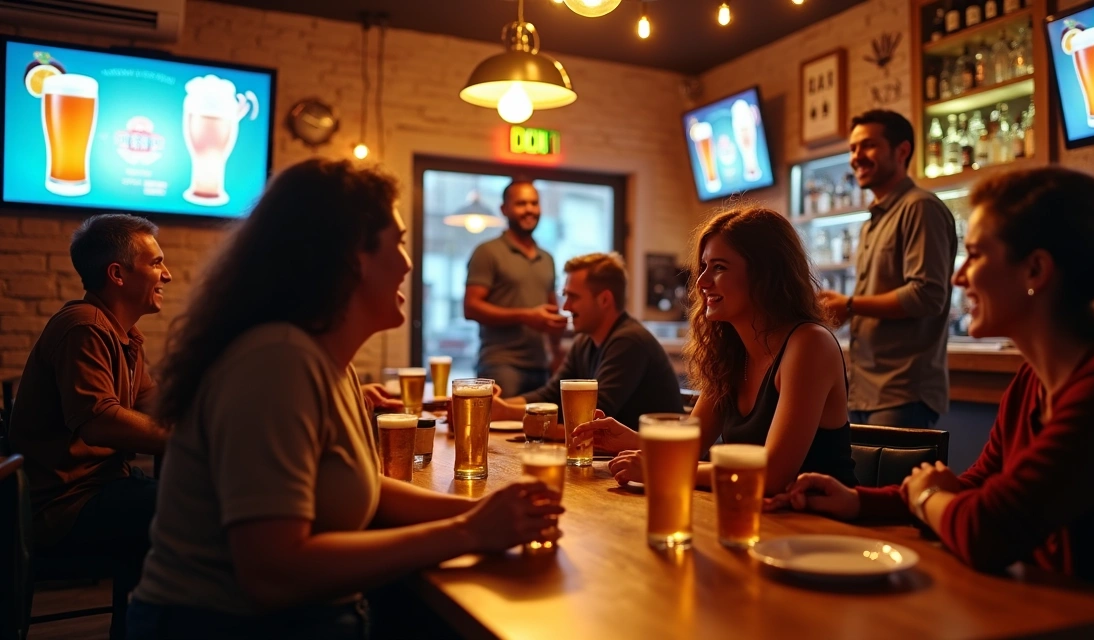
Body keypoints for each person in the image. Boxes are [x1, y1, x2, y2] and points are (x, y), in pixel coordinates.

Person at [771, 167, 1094, 638]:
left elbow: (988, 529)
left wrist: (926, 496)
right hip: (1062, 615)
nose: (959, 276)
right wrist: (857, 501)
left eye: (977, 255)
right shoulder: (1032, 380)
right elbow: (978, 487)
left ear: (1035, 270)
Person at [128, 159, 562, 639]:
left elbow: (367, 489)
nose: (408, 263)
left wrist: (485, 510)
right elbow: (272, 573)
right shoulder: (277, 360)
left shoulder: (325, 358)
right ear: (354, 257)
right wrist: (470, 532)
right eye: (398, 242)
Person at [574, 208, 857, 495]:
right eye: (704, 266)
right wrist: (631, 439)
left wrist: (662, 468)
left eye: (719, 267)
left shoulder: (810, 344)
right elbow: (691, 445)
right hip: (759, 513)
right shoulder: (732, 352)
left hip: (819, 518)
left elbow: (771, 475)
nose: (701, 282)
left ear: (765, 275)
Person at [8, 213, 171, 639]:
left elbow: (158, 406)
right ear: (117, 274)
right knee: (196, 509)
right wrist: (191, 438)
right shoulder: (84, 326)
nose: (167, 274)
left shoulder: (125, 336)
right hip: (63, 507)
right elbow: (98, 421)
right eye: (156, 263)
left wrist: (218, 416)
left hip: (100, 488)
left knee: (191, 501)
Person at [819, 110, 957, 429]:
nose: (856, 157)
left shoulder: (920, 207)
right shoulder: (873, 222)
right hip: (864, 389)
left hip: (902, 391)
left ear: (902, 151)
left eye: (868, 146)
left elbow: (927, 295)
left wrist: (849, 305)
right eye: (853, 148)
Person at [491, 252, 683, 430]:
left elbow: (590, 418)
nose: (566, 307)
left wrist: (507, 412)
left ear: (604, 300)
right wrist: (499, 405)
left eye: (573, 297)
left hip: (658, 454)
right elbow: (551, 395)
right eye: (565, 296)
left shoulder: (630, 341)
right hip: (617, 453)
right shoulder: (584, 341)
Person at [464, 179, 566, 397]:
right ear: (504, 209)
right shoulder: (487, 252)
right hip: (501, 365)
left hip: (541, 366)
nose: (529, 209)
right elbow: (471, 308)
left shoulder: (547, 258)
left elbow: (551, 309)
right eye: (521, 203)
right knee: (502, 420)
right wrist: (525, 316)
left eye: (534, 203)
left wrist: (557, 352)